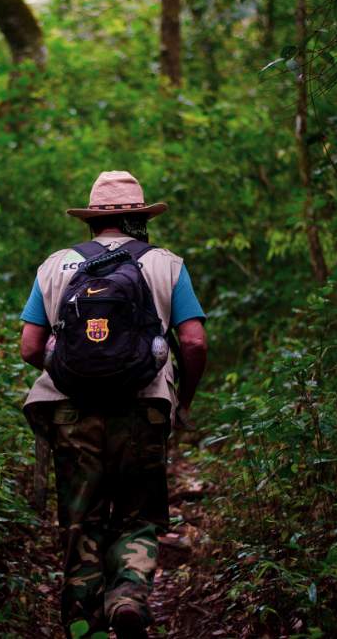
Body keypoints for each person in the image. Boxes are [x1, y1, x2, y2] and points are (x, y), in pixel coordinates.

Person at [19, 171, 208, 638]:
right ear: (140, 217)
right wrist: (181, 400)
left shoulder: (54, 265)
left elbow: (28, 347)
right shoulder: (167, 265)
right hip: (142, 408)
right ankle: (127, 596)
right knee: (137, 514)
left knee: (81, 516)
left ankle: (83, 615)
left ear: (91, 222)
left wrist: (73, 370)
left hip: (70, 410)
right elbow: (194, 341)